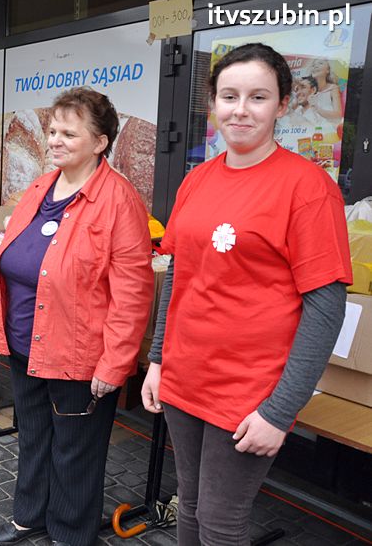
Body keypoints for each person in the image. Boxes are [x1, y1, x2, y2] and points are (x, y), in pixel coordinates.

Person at [141, 43, 352, 546]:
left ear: (282, 105)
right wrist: (157, 360)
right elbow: (178, 276)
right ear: (212, 103)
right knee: (188, 503)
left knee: (221, 521)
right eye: (229, 96)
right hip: (184, 374)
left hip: (249, 390)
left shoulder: (309, 188)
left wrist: (279, 412)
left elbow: (325, 309)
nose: (241, 109)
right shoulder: (196, 180)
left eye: (258, 97)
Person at [0, 87, 154, 546]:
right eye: (52, 130)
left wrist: (115, 363)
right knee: (34, 436)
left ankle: (69, 533)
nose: (55, 140)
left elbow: (133, 292)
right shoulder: (41, 186)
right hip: (25, 341)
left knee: (75, 452)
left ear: (101, 141)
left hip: (79, 351)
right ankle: (31, 516)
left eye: (69, 132)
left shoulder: (118, 200)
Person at [308, 57, 343, 123]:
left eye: (320, 63)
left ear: (328, 70)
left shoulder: (333, 88)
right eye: (313, 65)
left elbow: (338, 115)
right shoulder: (309, 91)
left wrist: (317, 109)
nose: (315, 66)